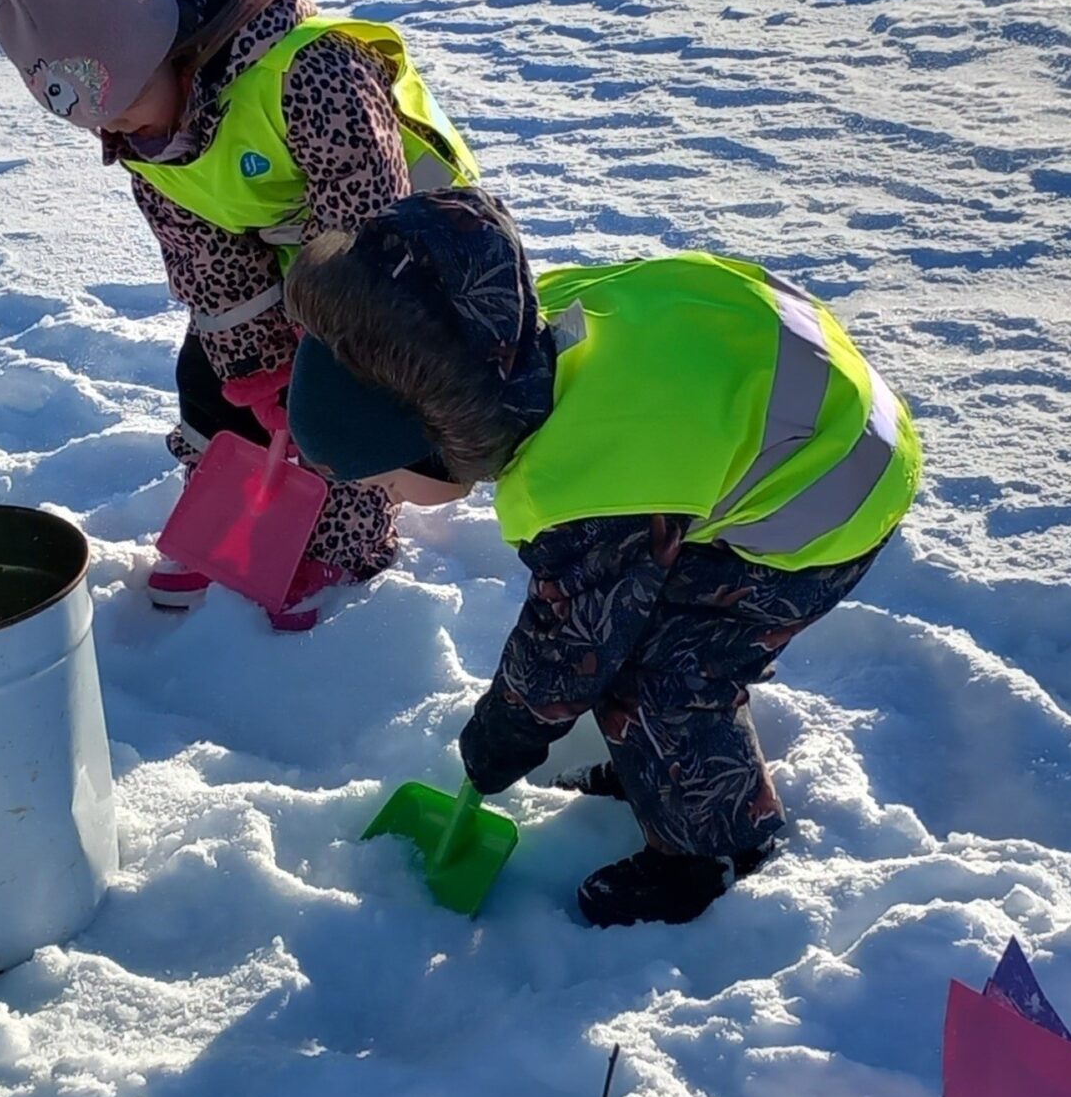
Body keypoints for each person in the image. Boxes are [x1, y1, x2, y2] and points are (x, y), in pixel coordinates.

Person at [281, 189, 921, 927]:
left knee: (666, 672)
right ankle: (656, 768)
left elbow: (569, 648)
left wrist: (501, 738)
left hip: (830, 489)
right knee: (636, 621)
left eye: (388, 480)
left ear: (439, 434)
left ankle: (711, 847)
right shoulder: (505, 338)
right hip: (794, 399)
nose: (390, 496)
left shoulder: (581, 481)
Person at [0, 0, 481, 629]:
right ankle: (231, 523)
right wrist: (258, 369)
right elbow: (211, 267)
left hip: (412, 251)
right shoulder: (147, 141)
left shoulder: (309, 71)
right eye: (104, 124)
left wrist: (319, 349)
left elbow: (365, 217)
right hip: (293, 248)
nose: (125, 134)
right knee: (209, 374)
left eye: (131, 110)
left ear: (172, 53)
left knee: (343, 394)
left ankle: (347, 544)